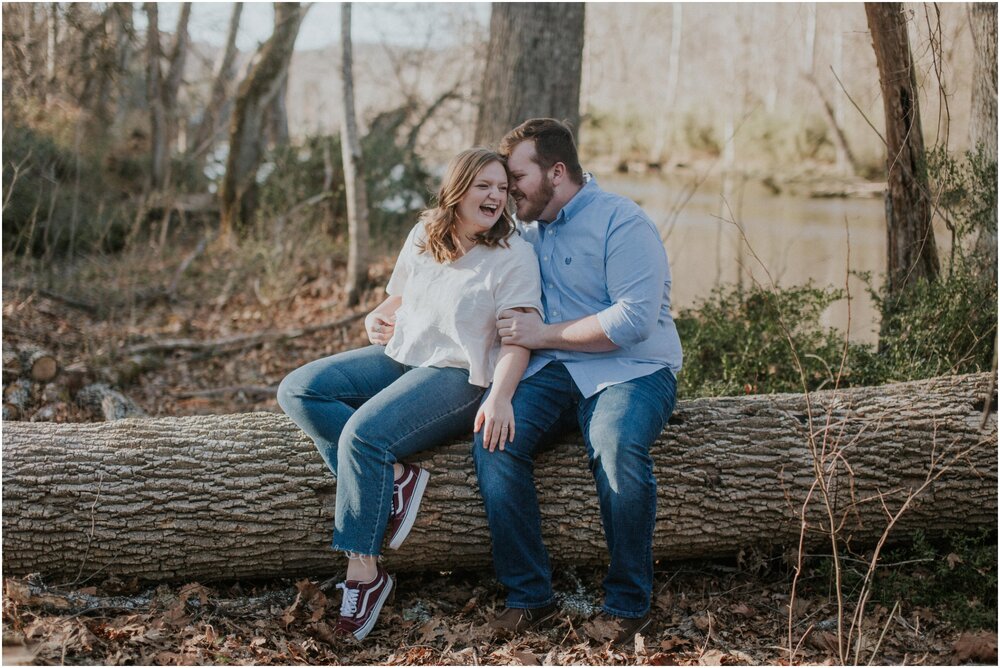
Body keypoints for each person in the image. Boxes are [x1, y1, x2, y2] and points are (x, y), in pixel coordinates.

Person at [277, 147, 542, 642]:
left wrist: (502, 397)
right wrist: (375, 315)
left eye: (503, 188)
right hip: (403, 356)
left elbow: (518, 339)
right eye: (484, 185)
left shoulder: (513, 256)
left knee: (363, 436)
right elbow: (399, 298)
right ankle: (396, 479)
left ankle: (364, 574)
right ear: (458, 188)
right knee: (299, 389)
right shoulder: (425, 234)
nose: (495, 197)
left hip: (462, 376)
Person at [473, 118, 683, 646]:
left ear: (556, 171)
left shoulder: (622, 221)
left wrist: (543, 333)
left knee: (615, 444)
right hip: (556, 372)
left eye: (515, 176)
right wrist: (397, 310)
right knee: (496, 439)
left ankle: (629, 604)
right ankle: (530, 597)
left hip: (634, 371)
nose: (506, 190)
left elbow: (633, 321)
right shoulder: (526, 229)